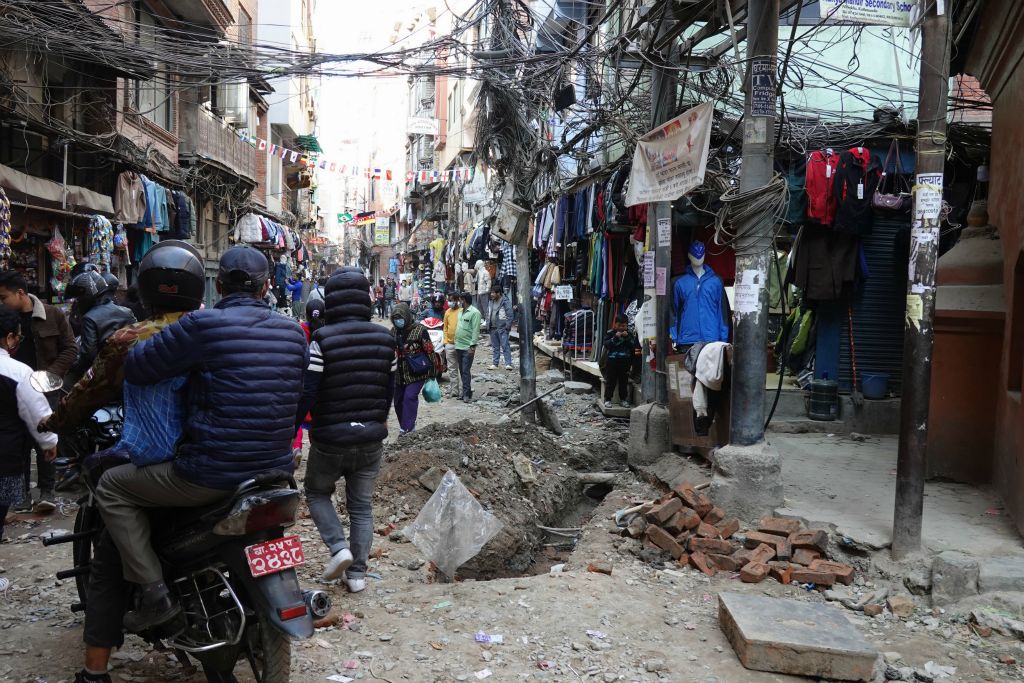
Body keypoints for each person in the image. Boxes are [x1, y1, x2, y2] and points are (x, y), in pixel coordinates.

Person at [92, 245, 307, 633]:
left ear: (219, 285)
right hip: (275, 470)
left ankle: (155, 593)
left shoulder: (201, 327)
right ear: (265, 287)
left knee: (111, 487)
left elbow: (139, 369)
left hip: (208, 475)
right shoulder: (294, 333)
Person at [41, 241, 206, 683]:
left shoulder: (131, 339)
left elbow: (90, 389)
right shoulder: (215, 329)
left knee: (109, 561)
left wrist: (55, 420)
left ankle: (97, 668)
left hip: (159, 457)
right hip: (220, 453)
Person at [295, 268, 394, 591]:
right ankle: (357, 576)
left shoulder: (322, 340)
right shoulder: (385, 337)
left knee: (317, 492)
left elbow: (308, 391)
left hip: (329, 438)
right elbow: (387, 389)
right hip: (370, 438)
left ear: (331, 301)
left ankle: (339, 548)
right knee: (362, 506)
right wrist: (378, 420)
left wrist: (291, 428)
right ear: (366, 298)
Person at [0, 270, 77, 511]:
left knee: (45, 435)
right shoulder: (5, 318)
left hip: (45, 388)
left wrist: (49, 376)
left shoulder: (52, 314)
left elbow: (70, 349)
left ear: (19, 293)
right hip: (12, 386)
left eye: (3, 297)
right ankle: (20, 493)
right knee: (18, 440)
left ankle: (47, 491)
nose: (1, 302)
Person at [0, 308, 58, 540]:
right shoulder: (18, 372)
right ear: (11, 337)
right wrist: (49, 442)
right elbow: (38, 414)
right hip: (5, 456)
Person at [65, 270, 136, 386]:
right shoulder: (127, 312)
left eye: (78, 298)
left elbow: (88, 355)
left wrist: (73, 368)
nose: (77, 302)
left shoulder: (89, 318)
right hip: (128, 372)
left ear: (87, 294)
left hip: (103, 376)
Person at [390, 303, 436, 434]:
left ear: (407, 316)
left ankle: (407, 428)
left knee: (409, 397)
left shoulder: (420, 330)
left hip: (416, 373)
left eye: (400, 318)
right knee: (398, 401)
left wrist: (432, 372)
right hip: (399, 374)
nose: (398, 321)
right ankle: (404, 425)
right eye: (395, 318)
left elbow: (429, 350)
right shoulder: (393, 332)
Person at [601, 314, 639, 409]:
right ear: (615, 325)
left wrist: (626, 338)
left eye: (624, 326)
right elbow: (607, 345)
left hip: (625, 362)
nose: (622, 328)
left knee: (623, 381)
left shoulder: (629, 334)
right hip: (612, 361)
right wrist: (615, 338)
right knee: (611, 381)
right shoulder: (610, 333)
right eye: (620, 325)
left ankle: (623, 400)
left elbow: (632, 347)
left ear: (627, 325)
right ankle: (608, 399)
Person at [454, 292, 481, 402]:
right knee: (462, 370)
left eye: (460, 300)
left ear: (464, 300)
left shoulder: (475, 313)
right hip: (458, 345)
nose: (459, 302)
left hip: (467, 347)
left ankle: (466, 394)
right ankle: (466, 392)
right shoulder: (460, 312)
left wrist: (472, 346)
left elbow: (476, 330)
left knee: (465, 370)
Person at [486, 284, 514, 371]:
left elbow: (510, 315)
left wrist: (507, 327)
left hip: (502, 328)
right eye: (491, 293)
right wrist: (487, 324)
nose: (491, 294)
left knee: (505, 345)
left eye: (493, 293)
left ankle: (508, 364)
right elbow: (488, 313)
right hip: (492, 327)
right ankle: (495, 363)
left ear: (498, 293)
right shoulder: (491, 302)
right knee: (495, 347)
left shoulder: (505, 301)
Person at [442, 295, 461, 398]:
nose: (450, 302)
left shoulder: (462, 311)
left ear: (457, 300)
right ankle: (455, 390)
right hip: (449, 344)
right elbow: (445, 328)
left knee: (463, 369)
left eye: (452, 300)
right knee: (452, 369)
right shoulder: (447, 312)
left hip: (461, 344)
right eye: (449, 300)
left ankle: (465, 390)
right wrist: (445, 342)